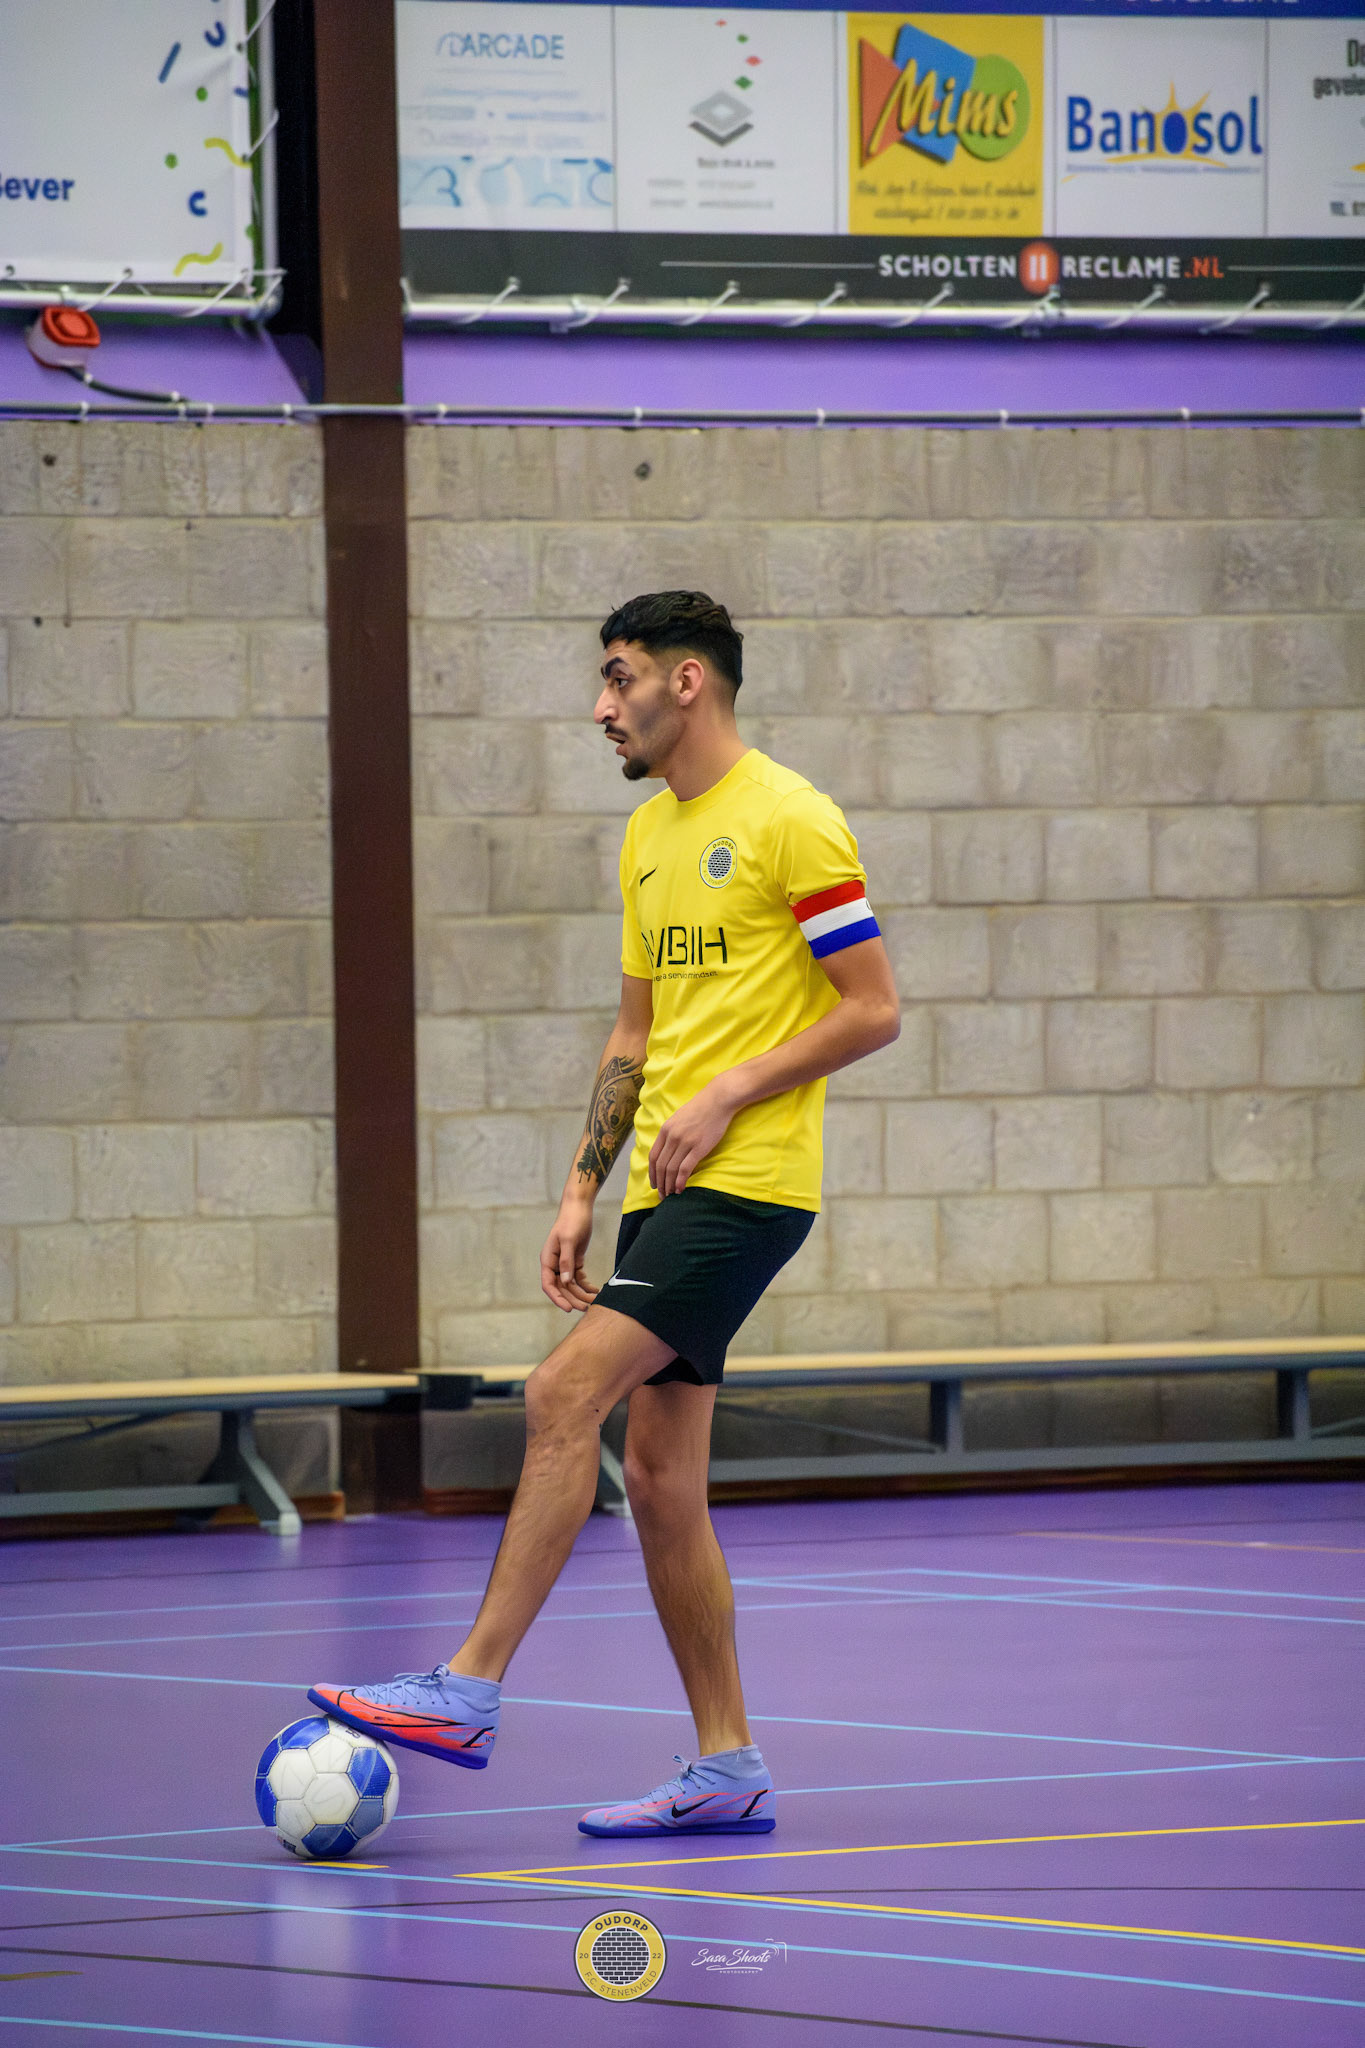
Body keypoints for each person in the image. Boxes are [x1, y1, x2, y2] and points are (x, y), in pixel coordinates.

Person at [310, 590, 900, 1838]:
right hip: (661, 1193)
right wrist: (583, 1184)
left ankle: (468, 1687)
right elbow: (636, 1031)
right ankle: (728, 1764)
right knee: (662, 1474)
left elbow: (872, 1007)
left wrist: (731, 1089)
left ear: (687, 681)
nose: (600, 706)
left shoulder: (793, 817)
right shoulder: (645, 834)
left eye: (618, 677)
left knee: (560, 1392)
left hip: (748, 1183)